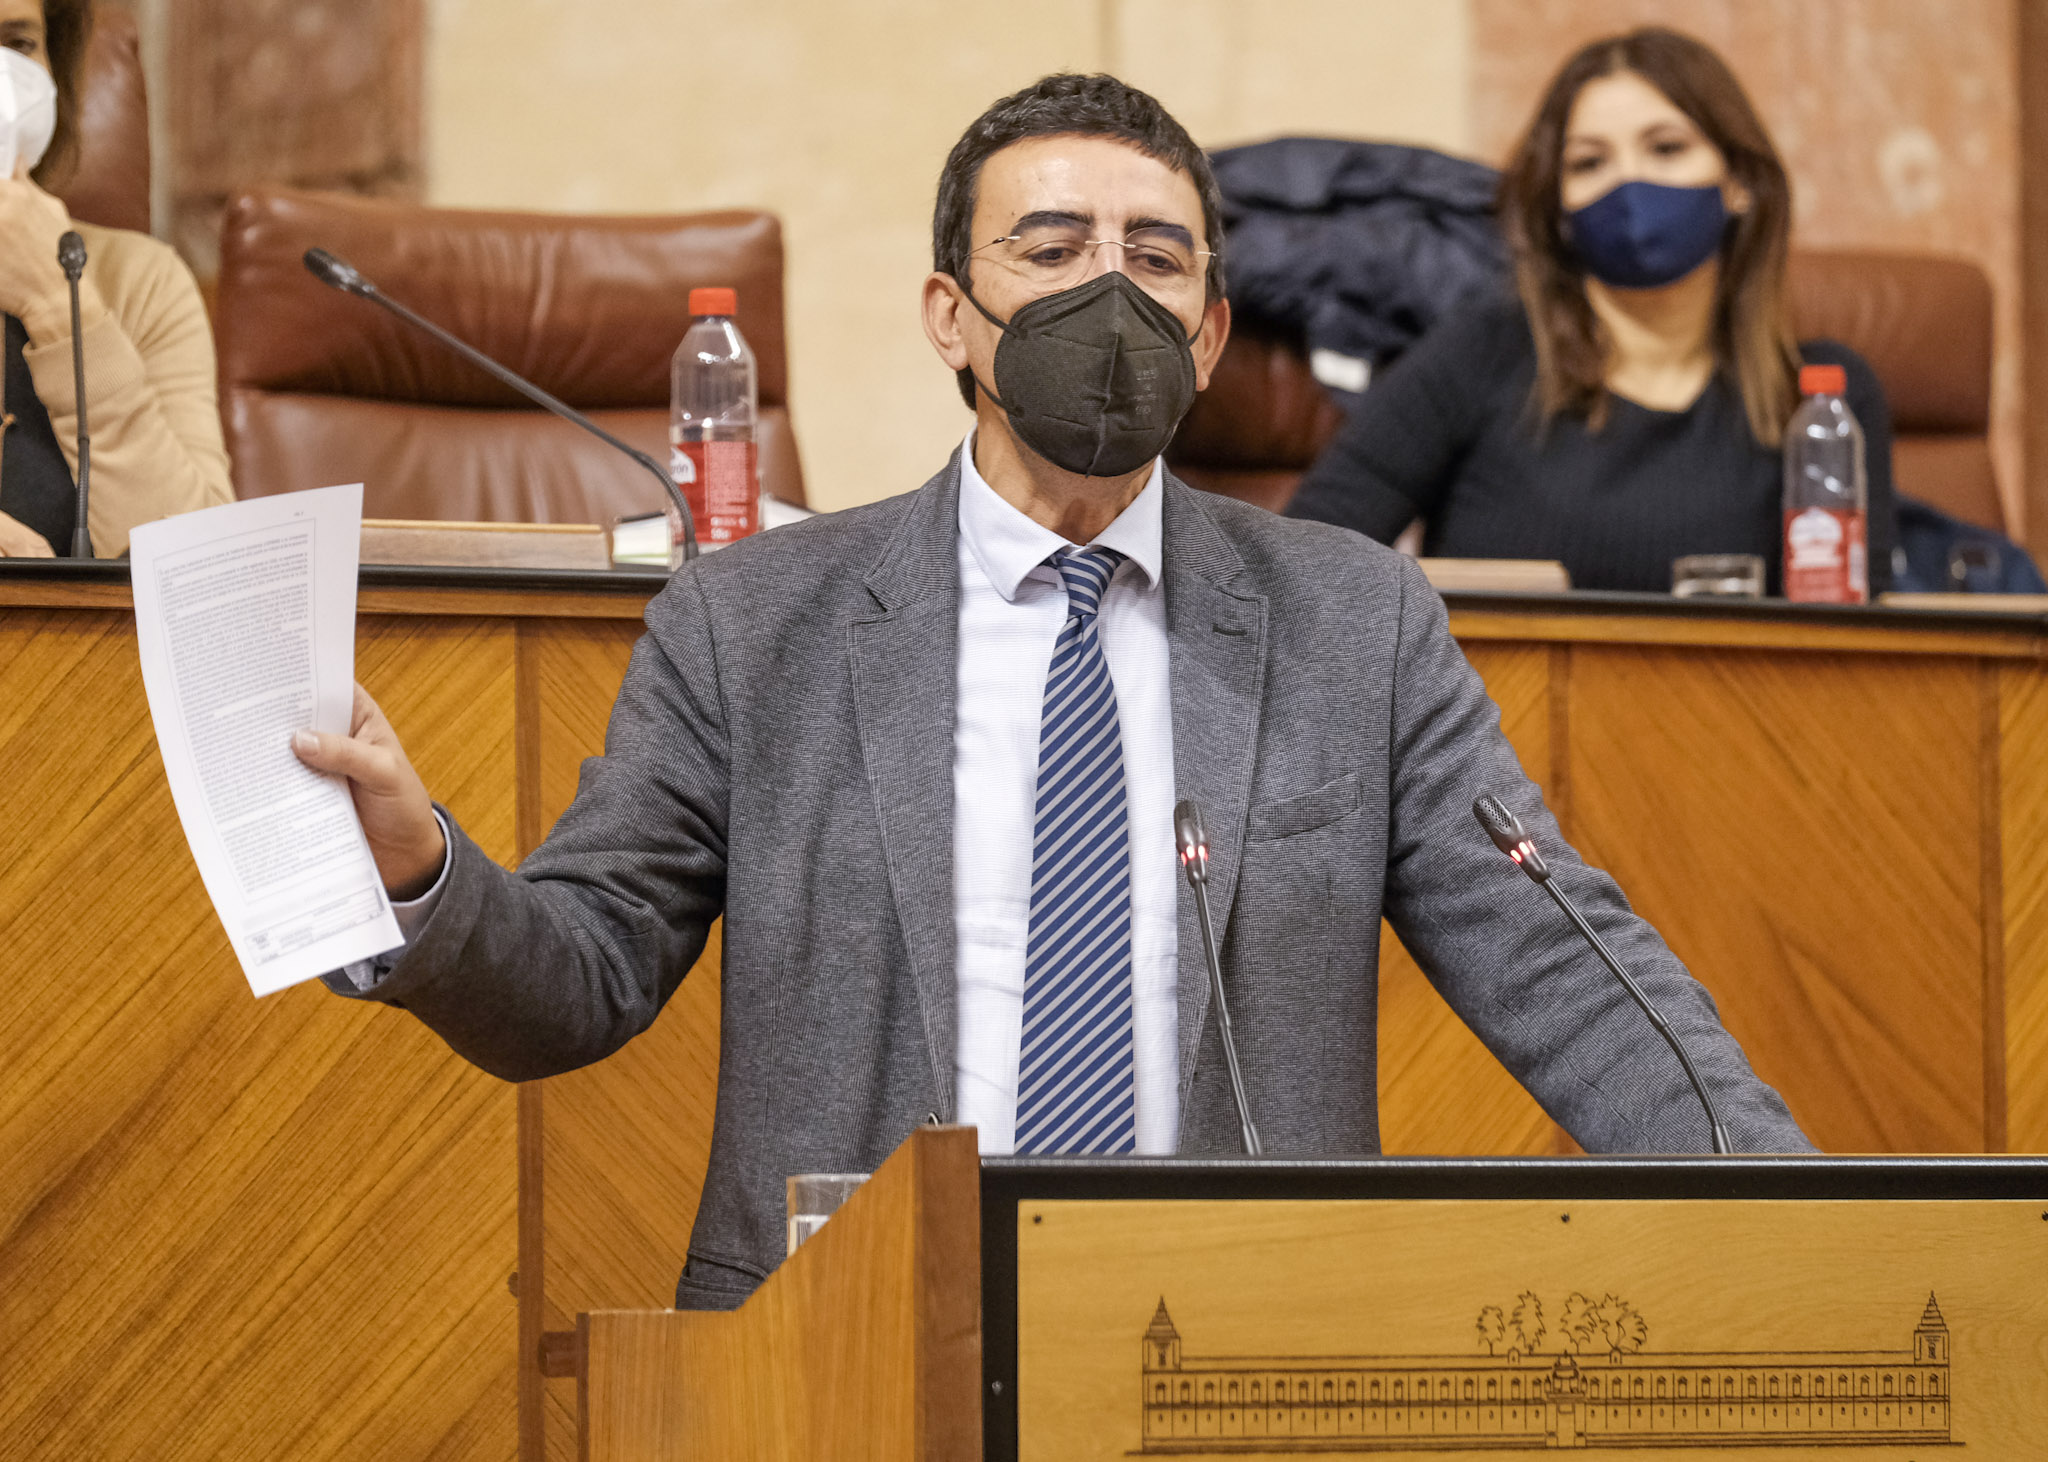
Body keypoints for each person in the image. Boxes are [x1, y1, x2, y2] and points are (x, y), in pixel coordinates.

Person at [295, 74, 1809, 1311]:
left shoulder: (1355, 619)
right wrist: (422, 869)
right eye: (1054, 247)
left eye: (1158, 259)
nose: (1113, 291)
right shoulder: (756, 620)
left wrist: (1808, 1217)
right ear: (951, 314)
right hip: (849, 1340)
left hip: (1242, 1344)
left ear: (1211, 334)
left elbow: (1563, 961)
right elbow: (579, 974)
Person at [1287, 27, 1896, 596]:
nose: (1630, 183)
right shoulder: (1482, 351)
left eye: (1666, 148)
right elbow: (1301, 567)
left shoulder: (1823, 403)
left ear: (1739, 181)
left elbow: (1863, 652)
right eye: (1588, 163)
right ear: (1560, 212)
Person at [0, 0, 231, 558]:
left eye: (19, 44)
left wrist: (57, 305)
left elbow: (199, 574)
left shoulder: (142, 283)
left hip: (81, 649)